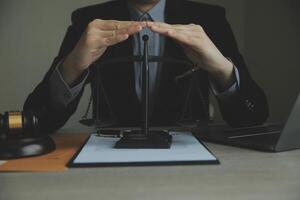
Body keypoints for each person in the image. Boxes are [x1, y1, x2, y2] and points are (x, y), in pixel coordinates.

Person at [24, 0, 269, 134]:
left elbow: (253, 117)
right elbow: (37, 120)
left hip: (191, 160)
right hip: (110, 159)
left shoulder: (209, 19)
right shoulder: (89, 21)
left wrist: (222, 71)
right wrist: (72, 67)